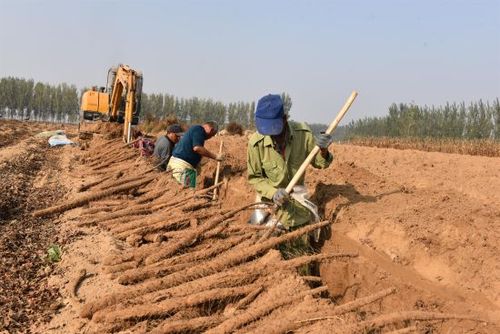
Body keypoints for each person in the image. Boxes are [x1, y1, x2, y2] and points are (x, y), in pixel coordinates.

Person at [247, 94, 333, 258]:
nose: (272, 137)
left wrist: (323, 150)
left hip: (297, 205)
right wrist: (273, 193)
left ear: (285, 119)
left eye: (276, 131)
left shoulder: (303, 134)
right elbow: (254, 178)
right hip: (269, 203)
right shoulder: (255, 143)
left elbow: (321, 163)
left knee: (298, 251)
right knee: (266, 251)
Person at [168, 121, 222, 188]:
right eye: (212, 135)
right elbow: (197, 148)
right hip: (182, 167)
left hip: (178, 164)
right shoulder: (199, 130)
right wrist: (215, 156)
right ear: (211, 130)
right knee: (185, 192)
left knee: (186, 190)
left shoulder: (195, 130)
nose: (210, 137)